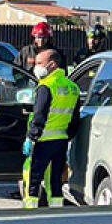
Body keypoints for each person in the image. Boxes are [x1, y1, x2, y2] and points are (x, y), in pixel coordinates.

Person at [21, 48, 81, 208]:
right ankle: (56, 212)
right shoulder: (72, 87)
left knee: (33, 180)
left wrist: (31, 137)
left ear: (52, 65)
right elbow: (75, 119)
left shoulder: (46, 86)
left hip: (42, 141)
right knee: (55, 182)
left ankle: (30, 212)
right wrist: (67, 136)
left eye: (40, 63)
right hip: (61, 141)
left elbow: (39, 115)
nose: (36, 67)